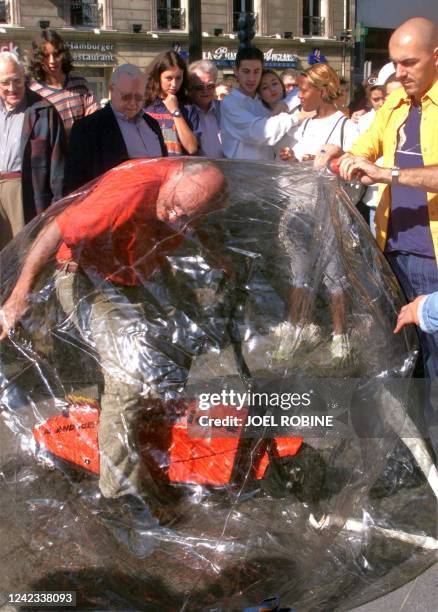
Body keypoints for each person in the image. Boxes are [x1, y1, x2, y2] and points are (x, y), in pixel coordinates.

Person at [0, 158, 227, 522]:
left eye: (184, 215)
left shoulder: (189, 189)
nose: (173, 218)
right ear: (171, 182)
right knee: (128, 375)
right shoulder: (131, 193)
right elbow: (55, 228)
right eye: (172, 208)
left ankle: (144, 437)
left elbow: (192, 223)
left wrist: (219, 256)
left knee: (177, 341)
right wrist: (20, 293)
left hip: (131, 272)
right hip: (86, 277)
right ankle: (119, 495)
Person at [332, 17, 438, 383]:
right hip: (392, 247)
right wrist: (340, 154)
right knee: (406, 353)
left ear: (436, 57)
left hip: (431, 256)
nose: (401, 71)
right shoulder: (395, 103)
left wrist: (385, 174)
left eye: (410, 62)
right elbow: (365, 148)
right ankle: (417, 431)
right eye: (395, 63)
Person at [64, 64, 166, 195]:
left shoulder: (152, 124)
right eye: (126, 96)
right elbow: (75, 186)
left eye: (139, 97)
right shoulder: (87, 128)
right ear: (111, 90)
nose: (133, 103)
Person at [0, 52, 66, 250]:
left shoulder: (43, 111)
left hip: (24, 192)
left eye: (16, 81)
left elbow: (58, 172)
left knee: (22, 255)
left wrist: (56, 214)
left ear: (24, 77)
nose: (12, 89)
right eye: (5, 83)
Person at [220, 47, 301, 160]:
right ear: (236, 72)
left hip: (267, 172)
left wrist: (285, 104)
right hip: (240, 174)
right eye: (246, 71)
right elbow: (261, 132)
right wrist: (298, 117)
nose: (251, 78)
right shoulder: (230, 103)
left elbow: (300, 88)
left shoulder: (262, 99)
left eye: (257, 71)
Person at [281, 64, 359, 162]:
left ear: (323, 92)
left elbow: (353, 165)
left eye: (303, 91)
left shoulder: (347, 128)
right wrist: (293, 158)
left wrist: (327, 160)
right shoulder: (307, 123)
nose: (299, 95)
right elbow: (302, 160)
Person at [28, 29, 98, 140]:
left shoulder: (80, 84)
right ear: (38, 59)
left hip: (84, 153)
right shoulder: (34, 94)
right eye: (46, 56)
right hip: (55, 156)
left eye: (56, 54)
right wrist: (78, 129)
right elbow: (41, 135)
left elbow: (95, 122)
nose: (52, 61)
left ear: (63, 54)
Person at [144, 51, 198, 156]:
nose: (174, 84)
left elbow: (192, 148)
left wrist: (175, 111)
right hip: (151, 168)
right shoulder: (144, 104)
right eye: (169, 78)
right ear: (158, 77)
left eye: (178, 78)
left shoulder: (187, 106)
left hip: (178, 169)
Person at [257, 69, 300, 160]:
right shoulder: (261, 118)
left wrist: (285, 104)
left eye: (274, 83)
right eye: (265, 87)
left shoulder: (299, 104)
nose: (272, 89)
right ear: (259, 94)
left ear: (281, 85)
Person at [188, 59, 223, 158]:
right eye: (199, 87)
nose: (205, 91)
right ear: (191, 89)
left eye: (210, 86)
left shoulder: (225, 109)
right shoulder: (186, 112)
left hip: (225, 169)